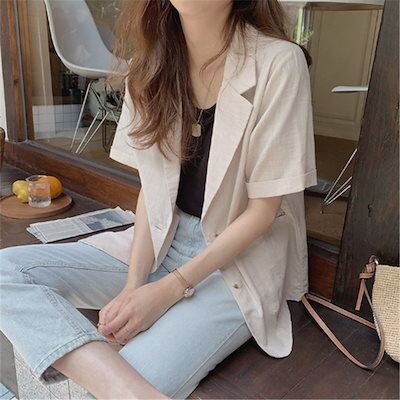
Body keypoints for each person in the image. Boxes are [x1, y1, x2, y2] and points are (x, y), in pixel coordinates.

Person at [0, 0, 318, 399]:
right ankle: (125, 390)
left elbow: (263, 213)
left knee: (119, 378)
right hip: (160, 240)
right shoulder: (150, 65)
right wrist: (134, 286)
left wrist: (167, 290)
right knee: (5, 273)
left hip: (234, 263)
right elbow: (153, 191)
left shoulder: (278, 63)